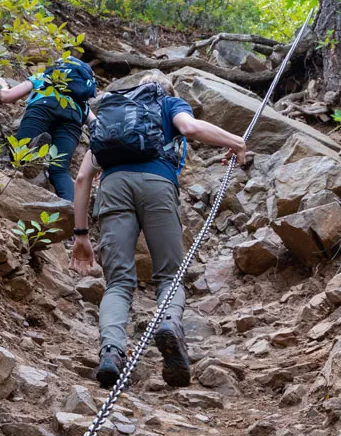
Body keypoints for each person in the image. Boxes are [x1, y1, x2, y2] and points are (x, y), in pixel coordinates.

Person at [71, 71, 247, 389]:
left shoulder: (114, 118)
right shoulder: (167, 103)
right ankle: (167, 325)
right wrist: (236, 142)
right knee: (169, 276)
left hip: (113, 187)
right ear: (167, 90)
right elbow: (190, 129)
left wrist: (81, 235)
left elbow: (83, 179)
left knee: (118, 284)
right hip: (157, 185)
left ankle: (111, 352)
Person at [0, 57, 96, 202]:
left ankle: (33, 149)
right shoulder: (82, 101)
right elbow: (95, 124)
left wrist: (2, 85)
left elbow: (7, 97)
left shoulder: (43, 77)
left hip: (43, 106)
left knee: (18, 151)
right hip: (73, 117)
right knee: (60, 170)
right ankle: (73, 210)